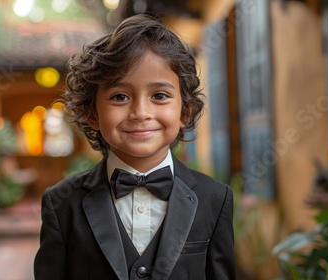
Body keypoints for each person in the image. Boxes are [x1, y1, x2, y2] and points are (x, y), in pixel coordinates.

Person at [34, 14, 236, 280]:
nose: (141, 112)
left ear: (184, 112)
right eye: (120, 97)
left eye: (159, 96)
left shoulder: (215, 199)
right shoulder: (61, 203)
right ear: (92, 114)